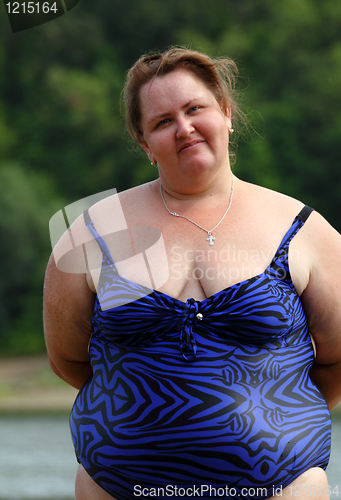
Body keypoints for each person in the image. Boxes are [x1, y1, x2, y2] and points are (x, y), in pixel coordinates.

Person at [43, 47, 341, 500]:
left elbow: (338, 359)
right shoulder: (90, 231)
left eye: (195, 109)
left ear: (225, 114)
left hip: (286, 490)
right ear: (144, 143)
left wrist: (277, 418)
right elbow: (68, 359)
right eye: (163, 122)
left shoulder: (304, 228)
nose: (184, 128)